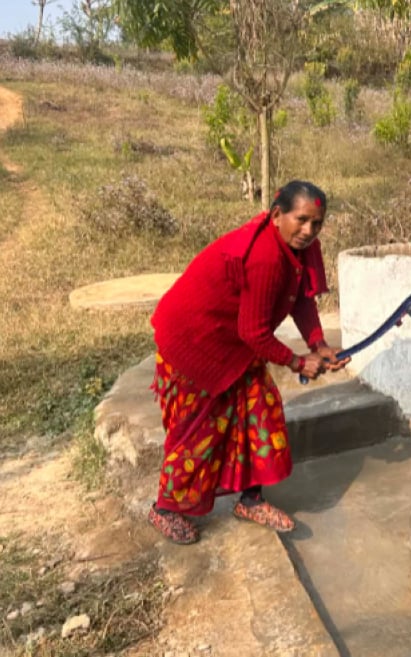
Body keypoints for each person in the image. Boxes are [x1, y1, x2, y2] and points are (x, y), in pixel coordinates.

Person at [147, 180, 349, 544]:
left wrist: (318, 343)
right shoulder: (265, 256)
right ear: (276, 215)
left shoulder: (300, 248)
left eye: (316, 223)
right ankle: (164, 508)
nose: (308, 231)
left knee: (260, 411)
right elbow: (254, 333)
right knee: (199, 429)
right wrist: (297, 362)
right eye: (301, 220)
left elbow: (301, 299)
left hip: (233, 339)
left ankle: (251, 499)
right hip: (194, 342)